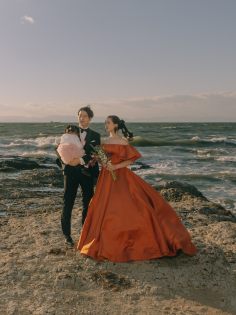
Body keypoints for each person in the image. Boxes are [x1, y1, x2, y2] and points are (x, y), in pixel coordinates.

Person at [77, 115, 197, 262]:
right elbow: (101, 158)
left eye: (108, 123)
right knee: (103, 206)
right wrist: (103, 163)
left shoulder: (122, 141)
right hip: (105, 176)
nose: (105, 125)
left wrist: (115, 166)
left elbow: (130, 159)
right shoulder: (105, 141)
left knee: (123, 206)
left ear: (115, 125)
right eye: (105, 123)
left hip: (120, 175)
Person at [57, 105, 101, 246]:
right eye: (80, 115)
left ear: (90, 118)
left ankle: (85, 232)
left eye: (84, 116)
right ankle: (67, 236)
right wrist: (66, 161)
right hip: (70, 172)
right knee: (67, 202)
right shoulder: (70, 132)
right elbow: (60, 149)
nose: (81, 118)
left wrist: (80, 160)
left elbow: (95, 154)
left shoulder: (95, 136)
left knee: (88, 203)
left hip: (87, 173)